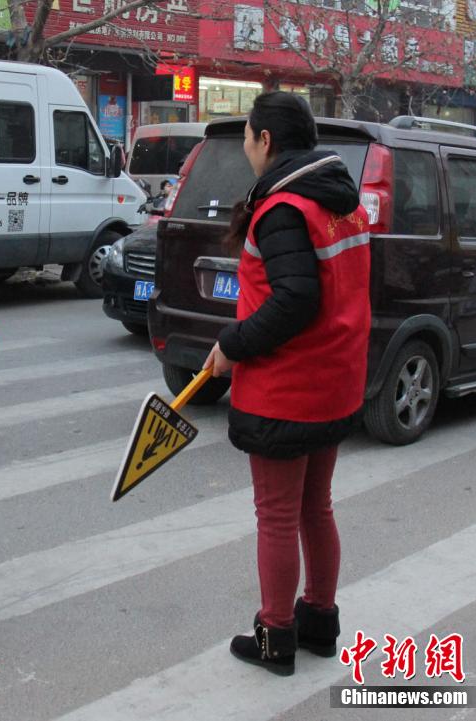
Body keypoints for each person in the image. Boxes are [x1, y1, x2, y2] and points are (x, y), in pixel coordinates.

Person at [202, 91, 371, 676]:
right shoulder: (342, 202)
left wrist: (232, 344)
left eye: (248, 137)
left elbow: (295, 299)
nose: (246, 148)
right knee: (315, 506)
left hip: (287, 388)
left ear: (266, 140)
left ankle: (275, 635)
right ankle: (319, 622)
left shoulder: (283, 209)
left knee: (277, 515)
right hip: (335, 380)